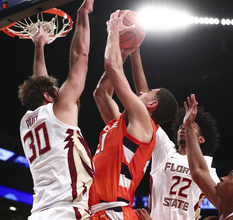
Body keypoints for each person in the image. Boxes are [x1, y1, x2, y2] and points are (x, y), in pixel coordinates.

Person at [89, 10, 178, 220]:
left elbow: (111, 66)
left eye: (149, 92)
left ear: (152, 104)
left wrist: (113, 32)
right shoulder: (124, 125)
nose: (143, 92)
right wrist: (126, 52)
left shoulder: (144, 121)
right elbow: (101, 94)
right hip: (101, 209)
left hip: (114, 210)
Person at [18, 0, 94, 219]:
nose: (61, 91)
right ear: (47, 96)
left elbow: (40, 81)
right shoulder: (58, 111)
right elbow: (80, 56)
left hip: (40, 211)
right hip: (66, 211)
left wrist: (39, 46)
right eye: (56, 90)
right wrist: (84, 13)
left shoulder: (26, 122)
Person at [128, 47, 220, 219]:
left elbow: (225, 203)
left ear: (201, 139)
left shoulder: (207, 167)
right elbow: (146, 103)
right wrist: (136, 52)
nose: (183, 127)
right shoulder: (165, 150)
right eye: (182, 125)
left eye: (191, 126)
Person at [184, 94, 233, 220]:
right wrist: (188, 126)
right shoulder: (227, 209)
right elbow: (199, 171)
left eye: (230, 175)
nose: (221, 178)